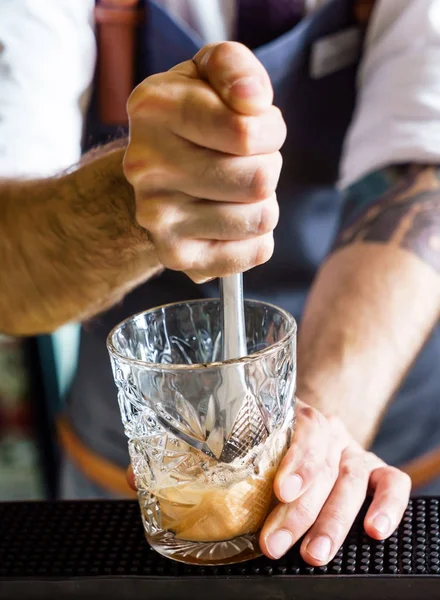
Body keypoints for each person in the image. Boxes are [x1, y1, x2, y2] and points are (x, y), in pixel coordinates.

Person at [1, 0, 439, 565]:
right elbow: (10, 279)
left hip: (387, 447)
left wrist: (308, 446)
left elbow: (423, 178)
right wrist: (130, 198)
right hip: (134, 484)